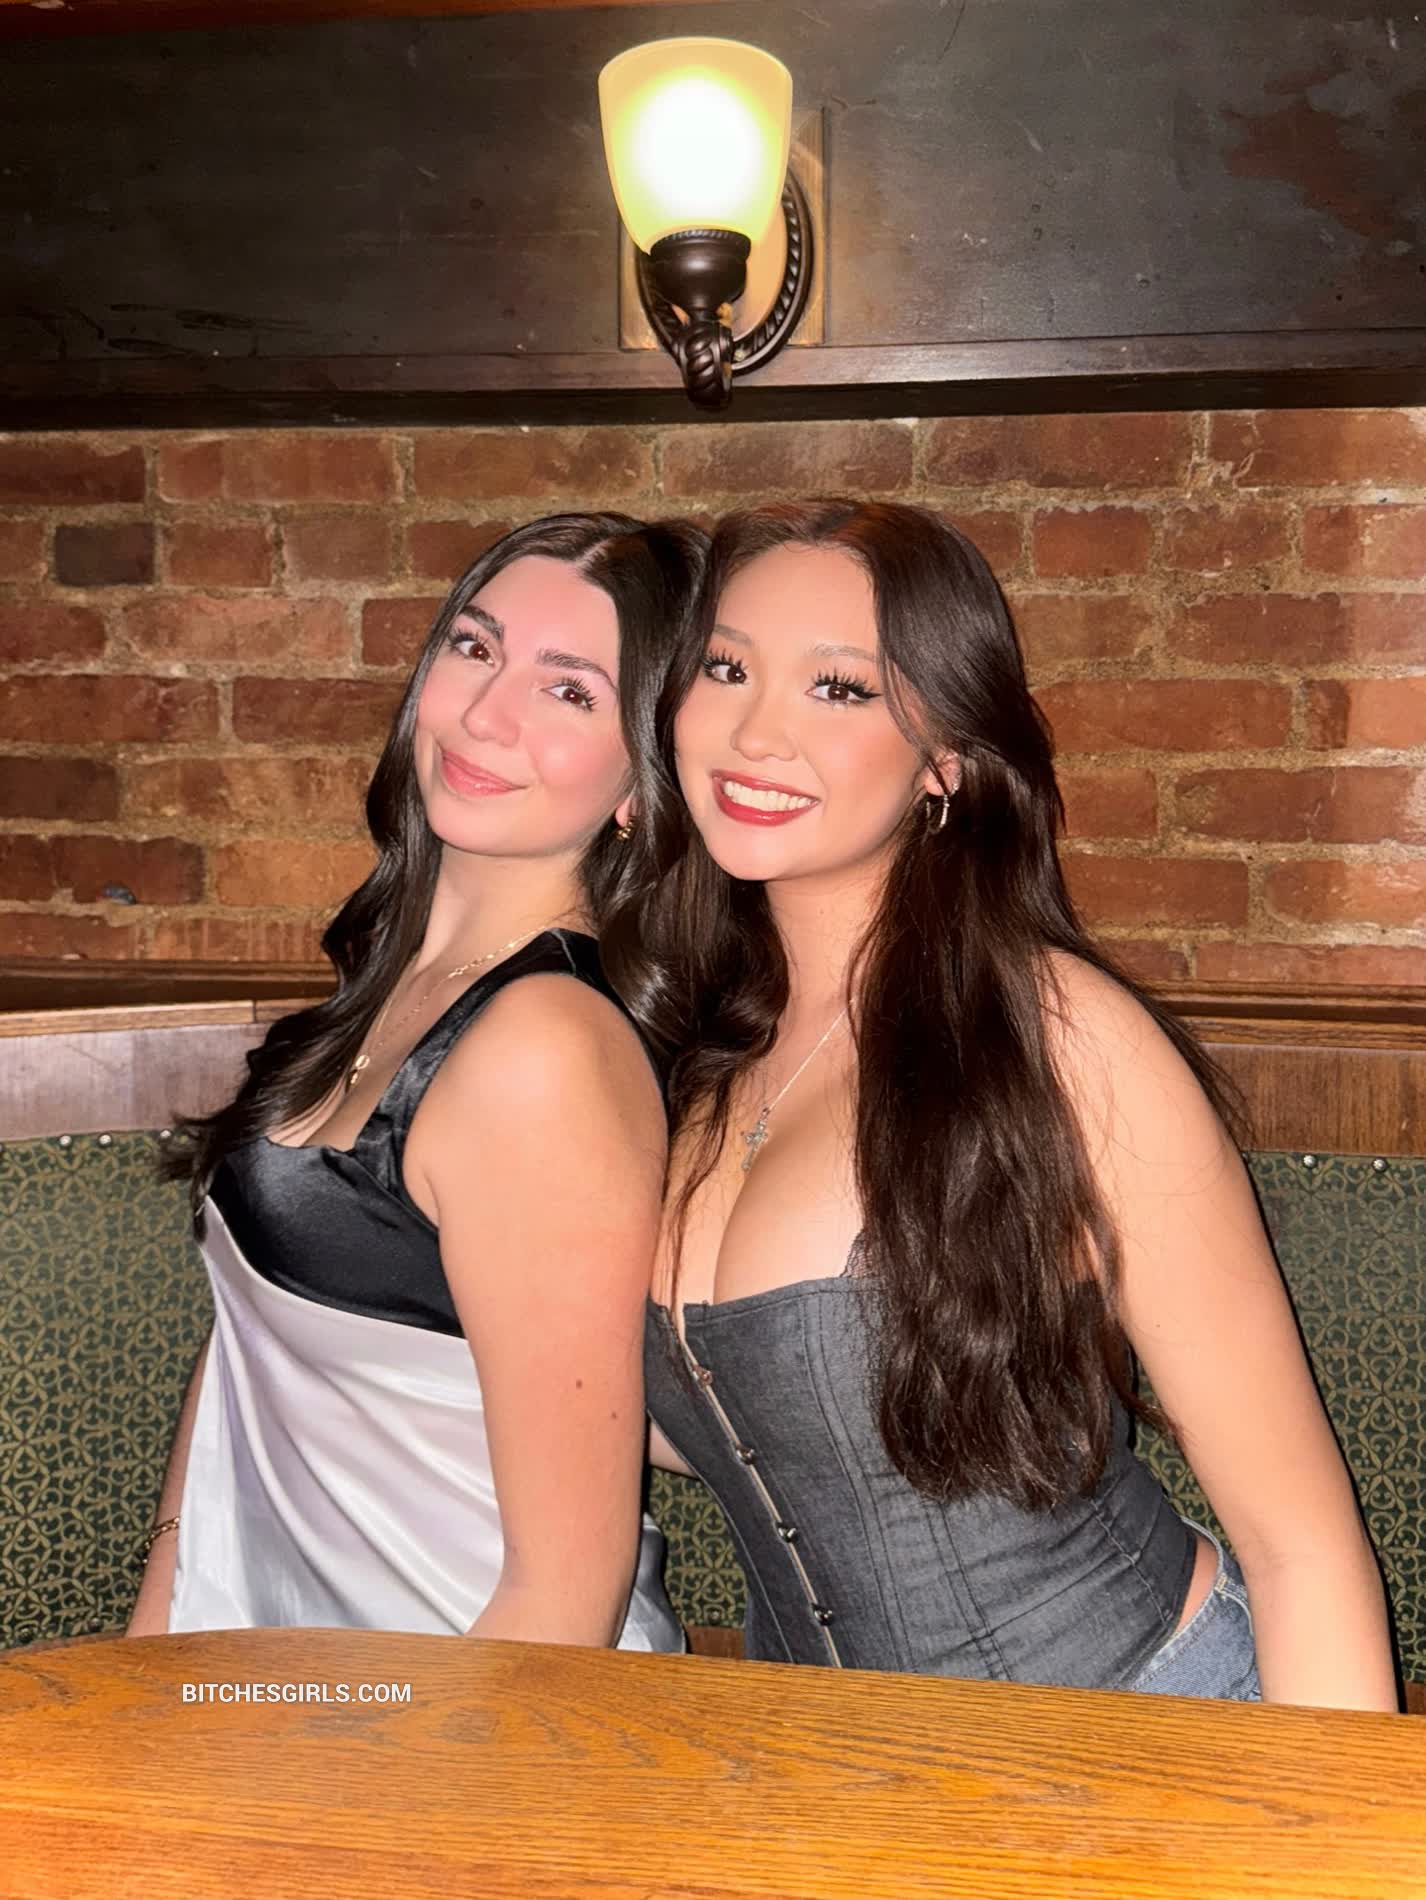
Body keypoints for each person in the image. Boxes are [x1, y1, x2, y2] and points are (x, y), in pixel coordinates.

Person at [632, 498, 1398, 1709]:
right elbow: (729, 1416)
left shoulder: (1060, 1038)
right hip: (819, 1768)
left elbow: (1300, 1543)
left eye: (838, 688)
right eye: (725, 668)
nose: (754, 731)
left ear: (944, 756)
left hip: (1143, 1730)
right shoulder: (691, 1056)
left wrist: (1322, 1826)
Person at [129, 512, 704, 1650]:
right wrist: (160, 1639)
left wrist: (400, 1762)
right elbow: (245, 1348)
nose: (487, 713)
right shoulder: (400, 980)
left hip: (469, 1704)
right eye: (475, 647)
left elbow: (564, 1601)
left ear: (640, 786)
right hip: (283, 1677)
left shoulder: (543, 1050)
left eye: (569, 691)